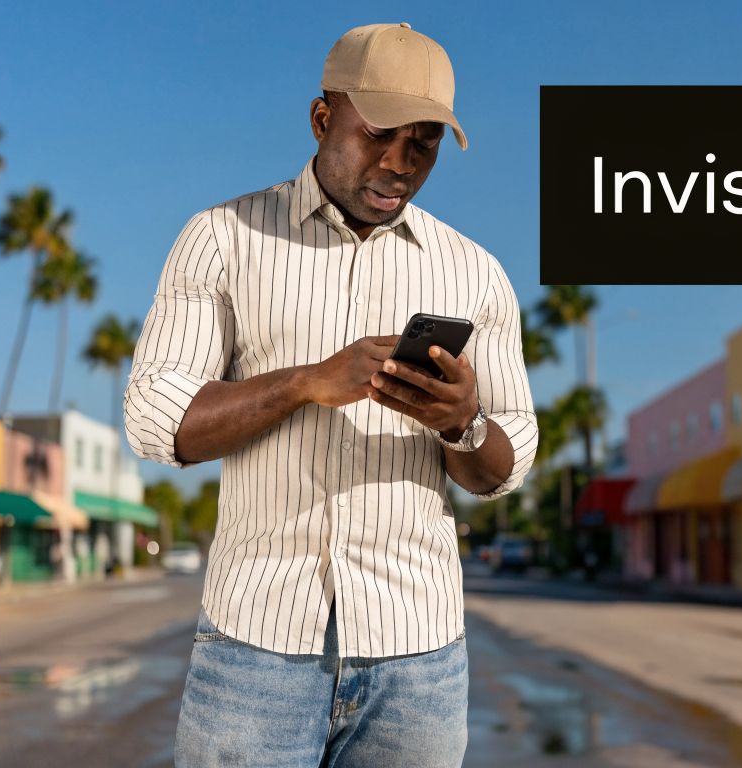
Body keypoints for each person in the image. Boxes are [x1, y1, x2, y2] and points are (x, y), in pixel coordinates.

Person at [123, 22, 536, 768]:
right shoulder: (222, 239)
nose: (399, 164)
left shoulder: (476, 274)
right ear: (322, 119)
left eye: (424, 145)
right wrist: (305, 383)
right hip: (255, 648)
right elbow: (157, 419)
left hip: (418, 659)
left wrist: (462, 423)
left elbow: (504, 468)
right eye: (378, 134)